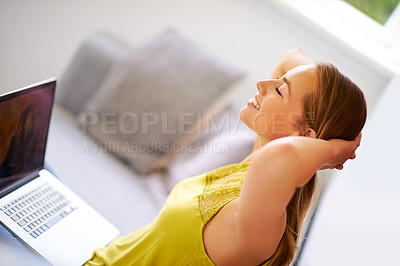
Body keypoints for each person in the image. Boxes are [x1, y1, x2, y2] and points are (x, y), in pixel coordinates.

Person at [85, 48, 367, 266]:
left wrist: (337, 151)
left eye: (279, 90)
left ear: (304, 135)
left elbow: (282, 158)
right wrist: (309, 86)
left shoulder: (260, 229)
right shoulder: (255, 160)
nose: (262, 83)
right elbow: (290, 57)